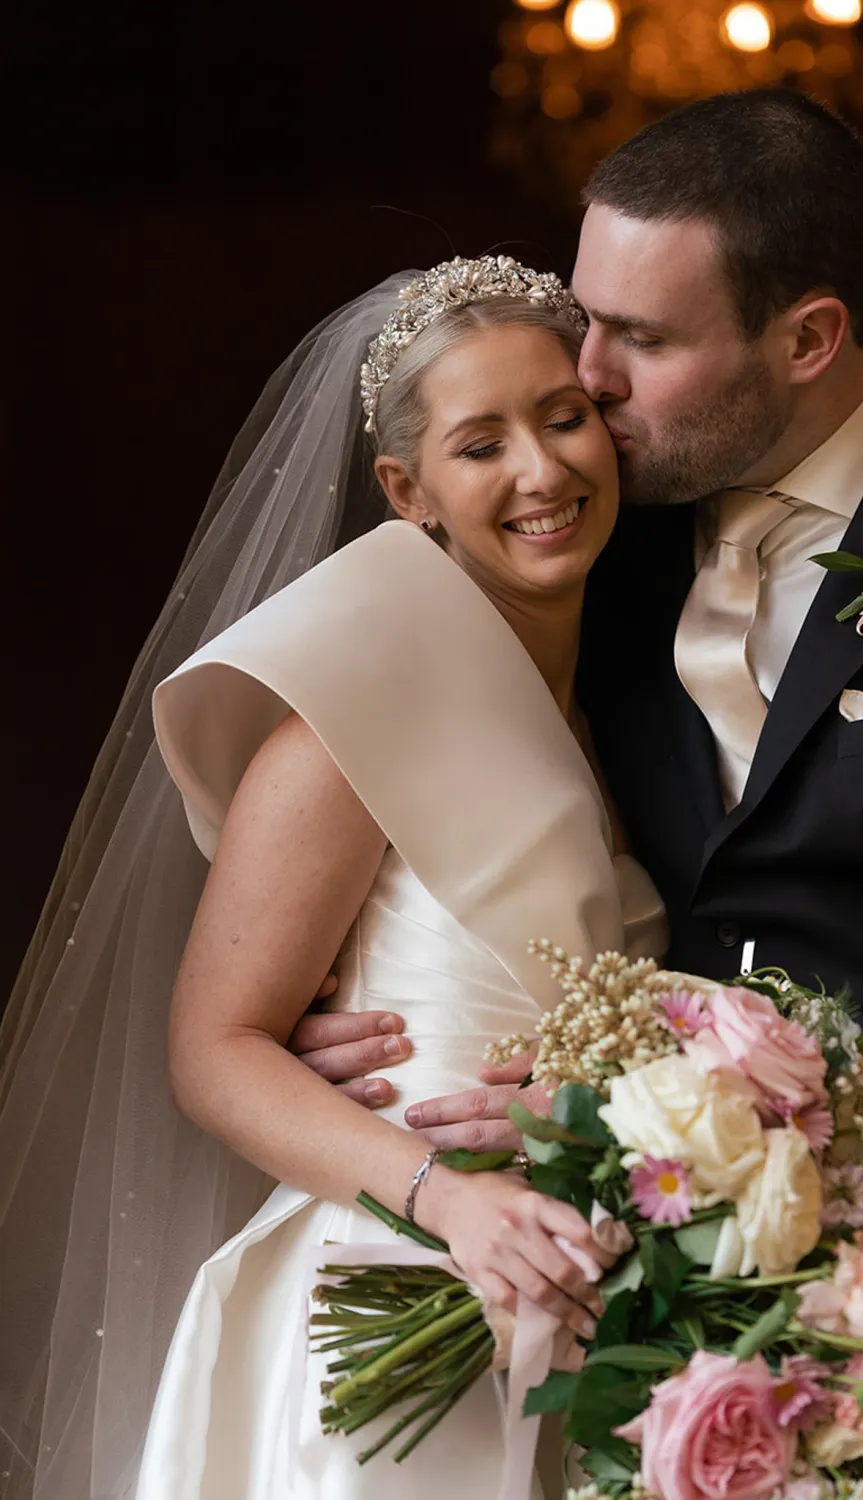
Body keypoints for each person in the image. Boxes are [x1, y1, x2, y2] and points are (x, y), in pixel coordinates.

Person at [302, 92, 863, 1498]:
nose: (586, 378)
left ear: (809, 338)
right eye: (588, 317)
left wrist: (648, 1089)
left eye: (640, 340)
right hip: (638, 1345)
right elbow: (436, 783)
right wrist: (345, 1003)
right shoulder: (599, 530)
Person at [0, 260, 668, 1499]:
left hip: (572, 1306)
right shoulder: (344, 724)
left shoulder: (606, 714)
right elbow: (214, 1048)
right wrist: (451, 1205)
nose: (542, 472)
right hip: (388, 1324)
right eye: (482, 444)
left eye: (563, 416)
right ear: (408, 491)